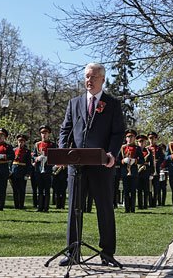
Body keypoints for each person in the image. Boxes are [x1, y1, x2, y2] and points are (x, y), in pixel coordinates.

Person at [58, 62, 125, 267]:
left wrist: (112, 154)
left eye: (93, 77)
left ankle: (107, 252)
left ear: (102, 79)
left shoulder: (112, 104)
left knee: (104, 208)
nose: (89, 80)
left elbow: (118, 133)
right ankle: (73, 252)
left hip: (101, 166)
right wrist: (63, 151)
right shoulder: (75, 103)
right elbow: (65, 130)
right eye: (87, 76)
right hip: (76, 166)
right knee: (74, 209)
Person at [117, 129, 144, 213]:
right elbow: (117, 160)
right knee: (125, 190)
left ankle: (132, 208)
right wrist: (123, 161)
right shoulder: (122, 147)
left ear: (134, 138)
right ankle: (126, 209)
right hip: (125, 171)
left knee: (133, 191)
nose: (130, 138)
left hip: (134, 171)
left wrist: (135, 161)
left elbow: (142, 160)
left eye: (132, 136)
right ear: (126, 138)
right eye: (128, 136)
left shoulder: (137, 148)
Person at [33, 125, 55, 212]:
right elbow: (34, 156)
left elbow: (55, 156)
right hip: (39, 169)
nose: (44, 135)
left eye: (45, 133)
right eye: (42, 133)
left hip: (48, 169)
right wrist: (37, 158)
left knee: (47, 189)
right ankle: (40, 207)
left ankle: (46, 207)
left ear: (48, 134)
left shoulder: (52, 145)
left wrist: (47, 158)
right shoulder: (37, 144)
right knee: (40, 189)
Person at [10, 133, 32, 209]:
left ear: (24, 142)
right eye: (19, 141)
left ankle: (21, 205)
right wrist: (10, 171)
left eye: (22, 141)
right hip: (14, 171)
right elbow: (11, 161)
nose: (20, 142)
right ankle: (16, 205)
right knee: (15, 189)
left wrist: (28, 173)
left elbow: (29, 163)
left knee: (22, 189)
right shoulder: (13, 150)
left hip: (23, 171)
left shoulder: (27, 151)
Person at [146, 132, 165, 208]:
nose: (151, 140)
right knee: (148, 188)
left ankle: (154, 202)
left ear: (156, 139)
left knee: (156, 188)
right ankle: (149, 202)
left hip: (156, 170)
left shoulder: (158, 148)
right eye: (150, 138)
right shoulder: (146, 148)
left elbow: (163, 157)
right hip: (148, 170)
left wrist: (158, 162)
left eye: (153, 138)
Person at [135, 134, 151, 210]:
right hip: (137, 171)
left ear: (145, 142)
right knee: (139, 189)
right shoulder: (135, 150)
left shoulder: (148, 151)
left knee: (146, 189)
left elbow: (151, 162)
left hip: (145, 171)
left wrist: (151, 172)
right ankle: (140, 205)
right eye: (140, 141)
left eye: (143, 141)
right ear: (137, 142)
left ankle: (145, 205)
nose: (141, 143)